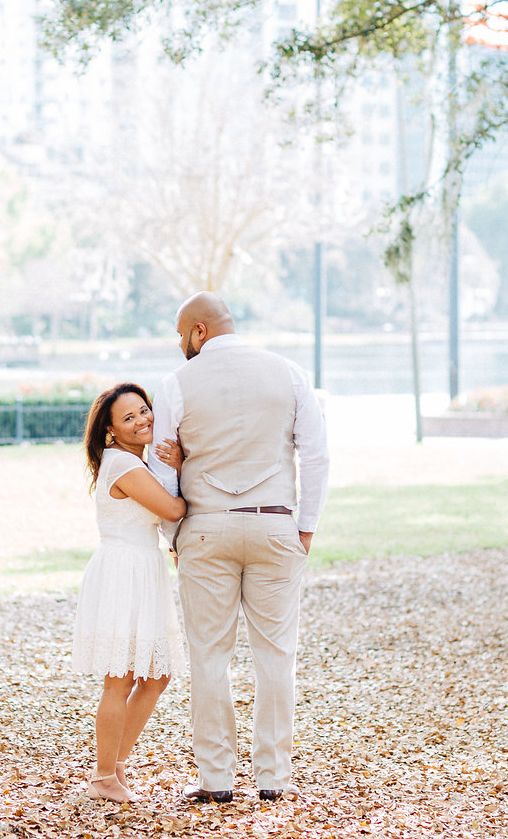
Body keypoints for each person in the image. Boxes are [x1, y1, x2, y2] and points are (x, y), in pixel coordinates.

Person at [149, 293, 330, 804]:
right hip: (275, 525)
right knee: (277, 656)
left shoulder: (176, 384)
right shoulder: (289, 373)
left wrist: (174, 539)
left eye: (181, 333)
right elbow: (315, 455)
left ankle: (216, 779)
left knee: (210, 655)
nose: (180, 343)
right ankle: (273, 777)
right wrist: (306, 528)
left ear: (200, 331)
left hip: (206, 528)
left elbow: (164, 468)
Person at [72, 383, 188, 804]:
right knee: (119, 680)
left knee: (157, 675)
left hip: (143, 568)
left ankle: (116, 766)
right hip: (124, 572)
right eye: (129, 418)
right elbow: (174, 510)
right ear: (110, 431)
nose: (142, 421)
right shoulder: (123, 464)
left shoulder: (134, 460)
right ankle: (103, 775)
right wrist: (181, 465)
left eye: (144, 411)